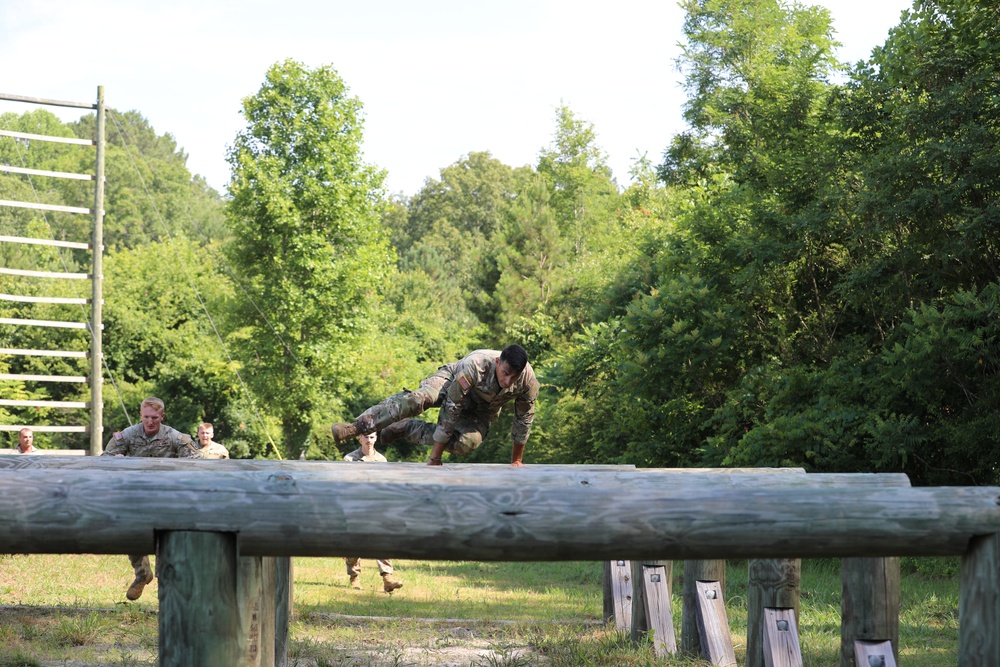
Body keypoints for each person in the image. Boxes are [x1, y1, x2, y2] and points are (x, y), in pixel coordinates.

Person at [331, 345, 538, 467]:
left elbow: (523, 420)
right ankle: (358, 426)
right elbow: (452, 407)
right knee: (417, 400)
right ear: (496, 362)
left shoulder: (528, 382)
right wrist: (435, 457)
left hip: (480, 409)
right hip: (450, 383)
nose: (509, 381)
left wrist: (516, 462)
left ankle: (405, 427)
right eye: (505, 373)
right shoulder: (474, 366)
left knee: (468, 442)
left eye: (514, 376)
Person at [102, 397, 199, 601]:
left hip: (166, 497)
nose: (150, 421)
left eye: (154, 417)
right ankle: (142, 574)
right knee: (131, 535)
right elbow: (106, 458)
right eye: (146, 417)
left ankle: (166, 584)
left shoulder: (174, 437)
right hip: (136, 496)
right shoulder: (129, 434)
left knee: (166, 539)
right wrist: (118, 461)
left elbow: (197, 462)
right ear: (141, 415)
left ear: (162, 416)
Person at [341, 431, 404, 593]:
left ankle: (387, 578)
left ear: (376, 439)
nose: (369, 440)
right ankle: (354, 576)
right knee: (355, 545)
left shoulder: (381, 460)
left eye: (372, 437)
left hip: (376, 506)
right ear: (360, 438)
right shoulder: (350, 459)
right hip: (356, 506)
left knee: (382, 541)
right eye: (366, 437)